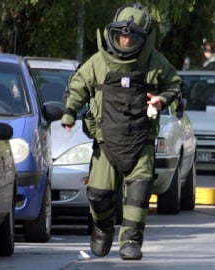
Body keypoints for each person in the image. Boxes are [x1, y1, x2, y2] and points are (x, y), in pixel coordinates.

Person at [61, 3, 181, 260]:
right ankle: (103, 228)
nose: (125, 41)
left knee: (139, 192)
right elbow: (78, 86)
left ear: (144, 38)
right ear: (113, 34)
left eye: (131, 37)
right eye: (121, 36)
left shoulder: (154, 62)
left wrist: (161, 99)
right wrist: (69, 112)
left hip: (141, 140)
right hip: (106, 141)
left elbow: (175, 84)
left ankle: (130, 241)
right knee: (99, 194)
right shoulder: (99, 62)